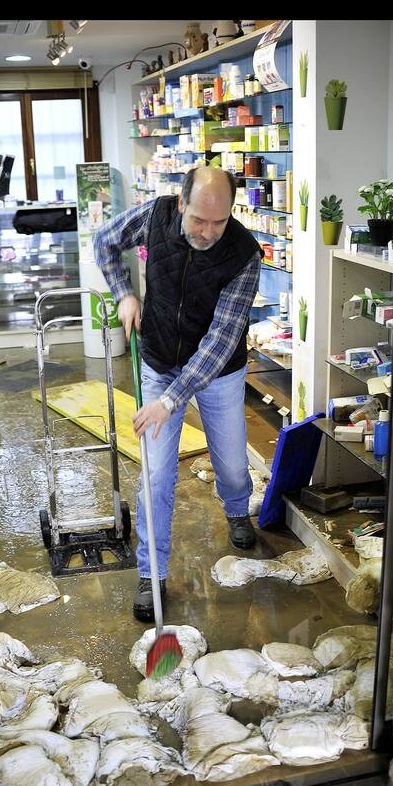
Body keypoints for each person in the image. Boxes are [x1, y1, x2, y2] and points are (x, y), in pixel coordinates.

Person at [93, 167, 263, 622]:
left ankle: (236, 508)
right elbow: (104, 242)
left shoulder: (245, 254)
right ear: (181, 203)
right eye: (198, 220)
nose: (208, 232)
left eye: (219, 222)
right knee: (156, 475)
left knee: (229, 462)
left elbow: (221, 340)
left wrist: (171, 401)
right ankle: (152, 574)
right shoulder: (154, 216)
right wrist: (124, 293)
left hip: (219, 372)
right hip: (157, 361)